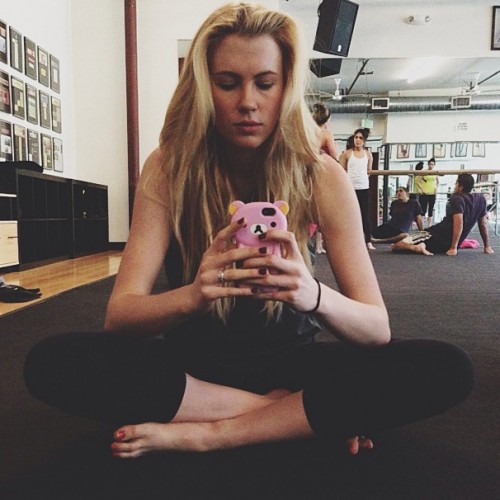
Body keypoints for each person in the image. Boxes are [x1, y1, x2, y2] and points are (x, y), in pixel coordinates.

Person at [24, 3, 473, 459]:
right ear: (204, 88)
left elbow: (376, 329)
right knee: (52, 361)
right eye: (227, 83)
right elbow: (121, 316)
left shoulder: (321, 175)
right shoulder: (168, 169)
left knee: (446, 368)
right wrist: (194, 295)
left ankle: (209, 434)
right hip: (194, 373)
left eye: (265, 83)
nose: (247, 102)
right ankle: (288, 418)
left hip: (292, 365)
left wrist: (312, 294)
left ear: (286, 87)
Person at [392, 173, 494, 256]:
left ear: (460, 187)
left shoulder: (457, 198)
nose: (454, 186)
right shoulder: (480, 199)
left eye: (456, 184)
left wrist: (453, 248)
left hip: (435, 235)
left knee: (396, 246)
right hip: (445, 246)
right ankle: (420, 245)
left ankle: (418, 247)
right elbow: (483, 223)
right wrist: (487, 246)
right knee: (407, 240)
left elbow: (459, 223)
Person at [339, 128, 375, 250]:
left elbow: (369, 171)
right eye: (356, 137)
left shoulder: (368, 154)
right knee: (349, 215)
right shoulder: (347, 154)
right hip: (350, 188)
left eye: (360, 138)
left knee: (364, 215)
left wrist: (362, 179)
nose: (357, 140)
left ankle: (368, 241)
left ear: (364, 140)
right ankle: (348, 240)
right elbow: (342, 171)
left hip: (364, 187)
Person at [310, 102, 338, 254]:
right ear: (327, 119)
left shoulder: (306, 132)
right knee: (323, 211)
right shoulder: (326, 134)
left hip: (307, 174)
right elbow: (333, 154)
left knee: (311, 211)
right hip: (322, 174)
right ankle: (321, 244)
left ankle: (317, 244)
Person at [415, 158, 438, 227]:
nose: (431, 166)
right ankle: (421, 226)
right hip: (424, 194)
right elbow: (418, 182)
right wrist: (422, 190)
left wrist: (436, 189)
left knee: (431, 210)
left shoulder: (435, 172)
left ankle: (429, 225)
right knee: (423, 210)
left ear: (434, 165)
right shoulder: (424, 172)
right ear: (428, 164)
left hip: (432, 193)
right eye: (430, 164)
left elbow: (438, 182)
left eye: (432, 164)